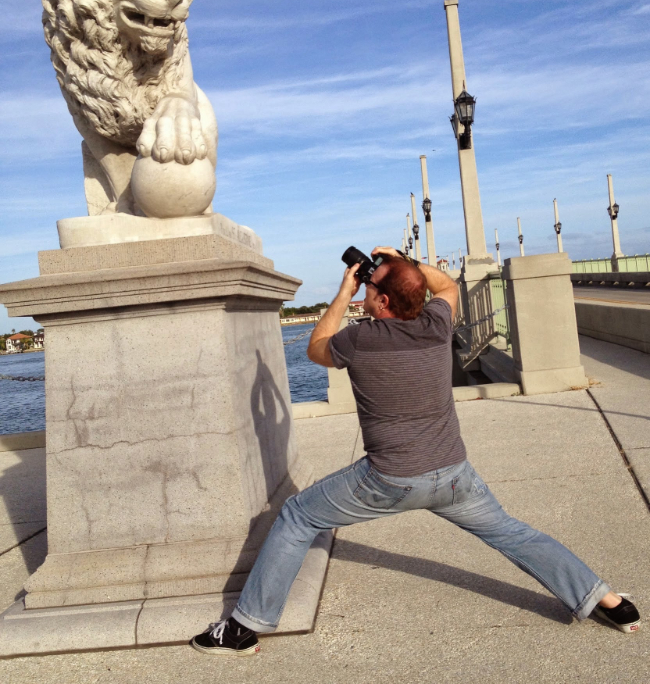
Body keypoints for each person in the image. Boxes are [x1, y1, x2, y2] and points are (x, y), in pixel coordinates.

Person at [191, 247, 640, 656]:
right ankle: (610, 602)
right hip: (453, 475)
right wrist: (405, 264)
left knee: (297, 516)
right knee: (514, 534)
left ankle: (244, 629)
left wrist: (343, 291)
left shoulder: (360, 340)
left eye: (370, 285)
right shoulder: (437, 324)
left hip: (389, 480)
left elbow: (315, 348)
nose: (365, 287)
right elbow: (444, 286)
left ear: (381, 303)